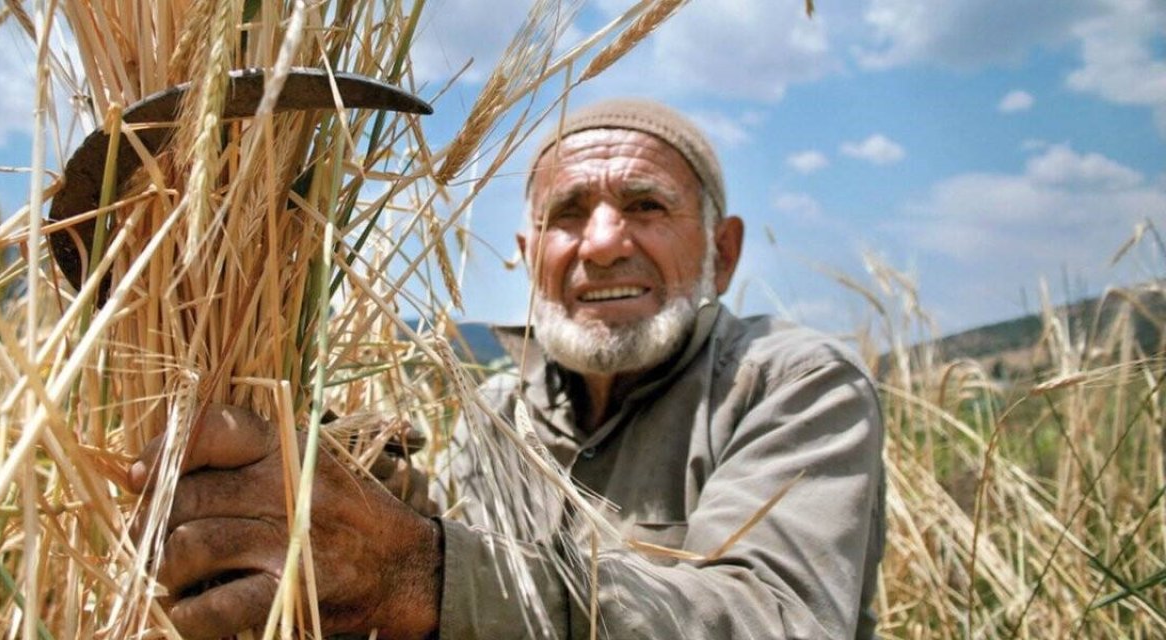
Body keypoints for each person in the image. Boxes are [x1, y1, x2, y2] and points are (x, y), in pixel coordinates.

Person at [130, 98, 886, 639]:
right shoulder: (500, 411)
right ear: (529, 258)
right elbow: (452, 538)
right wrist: (362, 490)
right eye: (567, 214)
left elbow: (773, 621)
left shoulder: (789, 386)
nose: (601, 244)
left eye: (646, 206)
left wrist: (415, 572)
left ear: (723, 250)